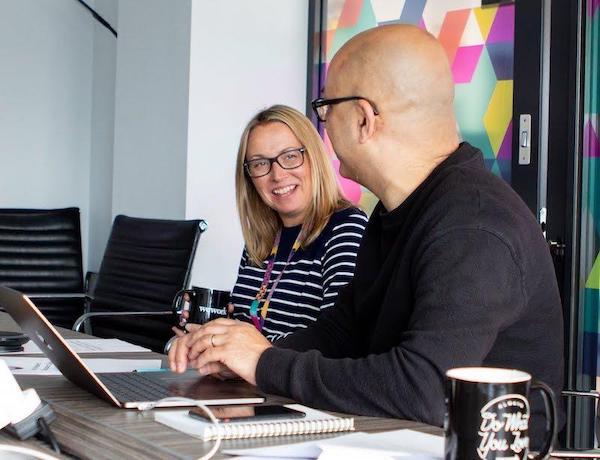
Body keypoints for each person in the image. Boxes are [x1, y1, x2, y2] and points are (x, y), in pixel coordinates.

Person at [169, 25, 564, 443]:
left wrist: (265, 363)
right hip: (398, 439)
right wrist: (240, 353)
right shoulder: (397, 212)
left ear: (362, 119)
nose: (323, 126)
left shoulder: (474, 228)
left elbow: (423, 390)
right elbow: (345, 330)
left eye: (325, 109)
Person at [177, 105, 367, 341]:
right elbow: (249, 323)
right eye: (259, 164)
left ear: (314, 159)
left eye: (290, 156)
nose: (277, 175)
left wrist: (248, 353)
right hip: (248, 378)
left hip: (291, 378)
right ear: (249, 178)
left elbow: (340, 340)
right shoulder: (262, 239)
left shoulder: (346, 228)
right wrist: (211, 329)